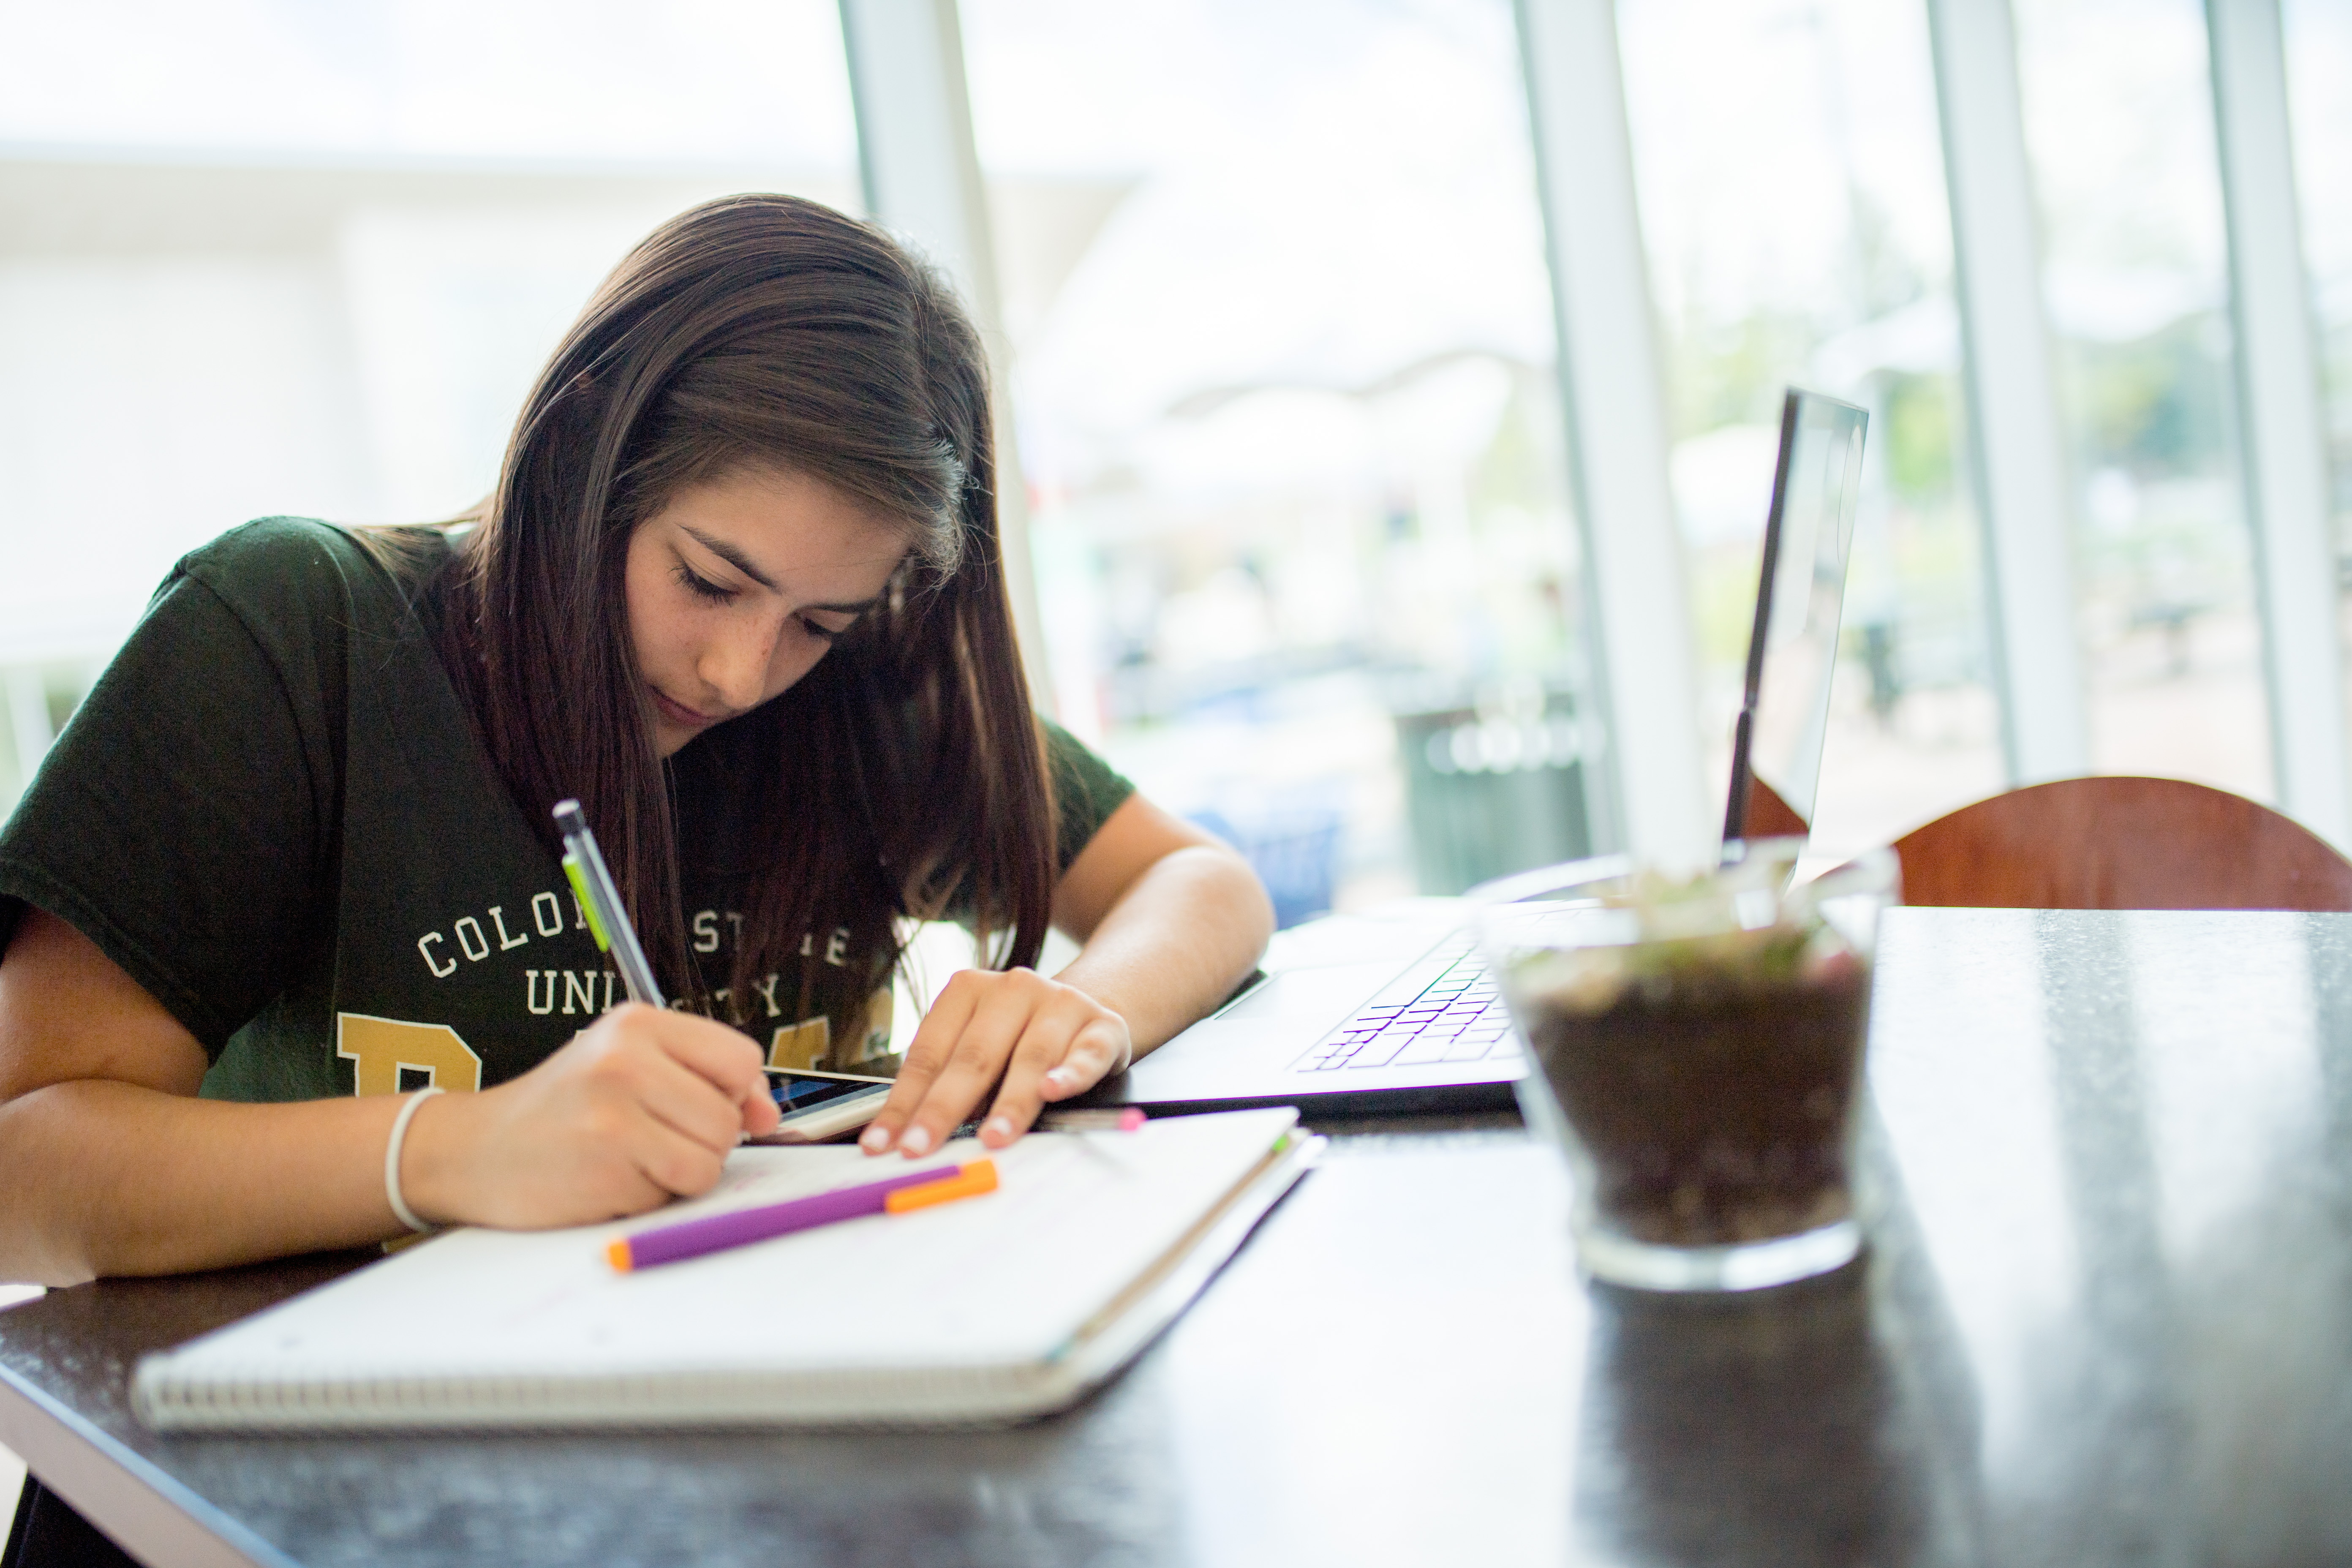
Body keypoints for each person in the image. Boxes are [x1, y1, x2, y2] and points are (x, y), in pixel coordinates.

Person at [0, 193, 1274, 1288]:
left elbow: (1200, 884)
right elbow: (24, 1169)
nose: (741, 672)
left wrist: (1075, 1012)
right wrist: (458, 1150)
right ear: (584, 441)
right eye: (709, 580)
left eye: (820, 619)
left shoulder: (850, 708)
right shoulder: (296, 632)